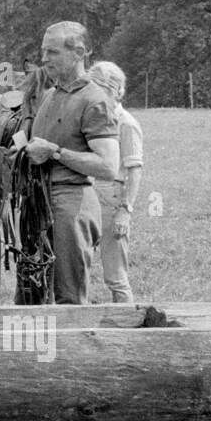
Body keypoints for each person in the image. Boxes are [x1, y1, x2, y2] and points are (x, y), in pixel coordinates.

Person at [24, 22, 119, 305]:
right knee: (32, 294)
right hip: (38, 204)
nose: (44, 59)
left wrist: (55, 152)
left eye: (52, 52)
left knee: (69, 299)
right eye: (43, 52)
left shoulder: (94, 100)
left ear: (78, 52)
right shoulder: (52, 96)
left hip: (71, 204)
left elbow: (107, 166)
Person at [88, 61, 143, 303]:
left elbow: (134, 170)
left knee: (115, 274)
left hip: (112, 196)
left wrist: (125, 210)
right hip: (88, 192)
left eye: (97, 88)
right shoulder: (95, 119)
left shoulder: (126, 123)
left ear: (113, 90)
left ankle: (127, 324)